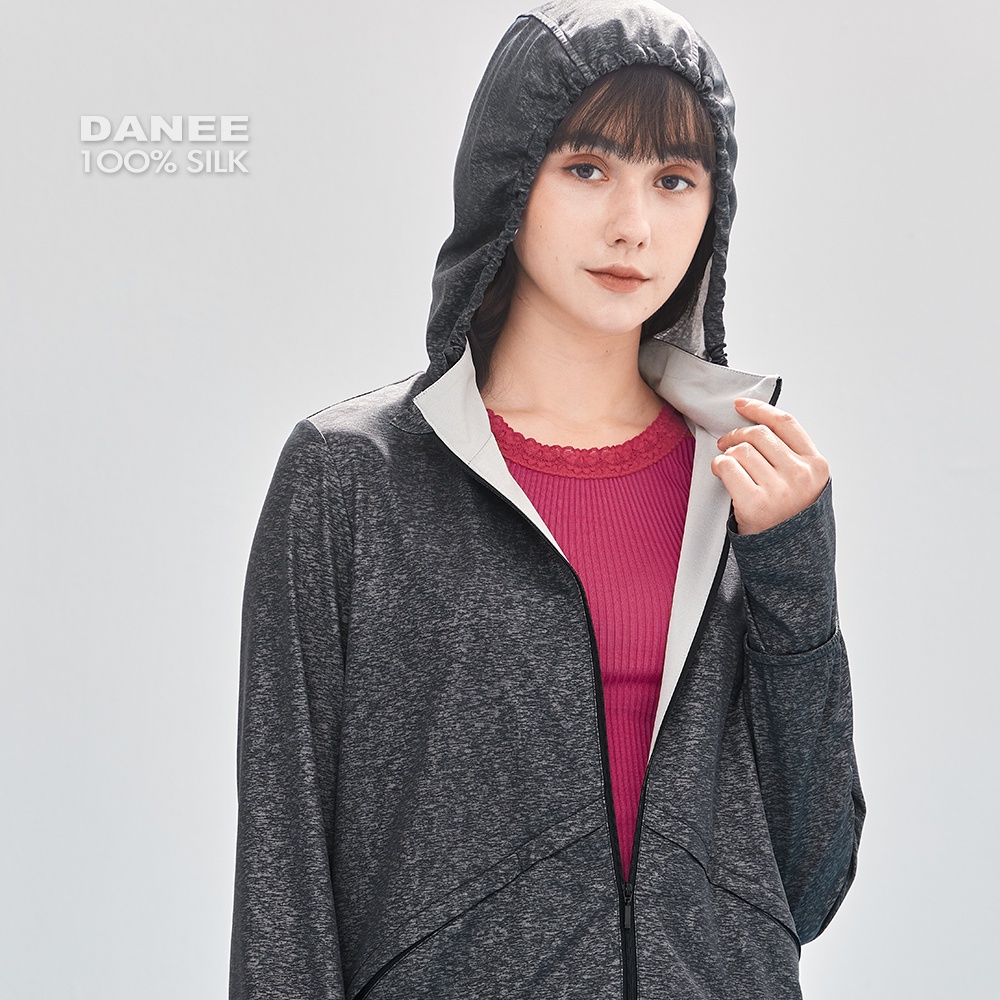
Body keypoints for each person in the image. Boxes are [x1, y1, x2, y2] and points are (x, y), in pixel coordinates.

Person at [229, 1, 866, 997]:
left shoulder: (745, 488)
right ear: (509, 176)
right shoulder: (352, 475)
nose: (632, 225)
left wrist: (794, 580)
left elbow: (809, 882)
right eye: (586, 168)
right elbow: (285, 884)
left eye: (673, 180)